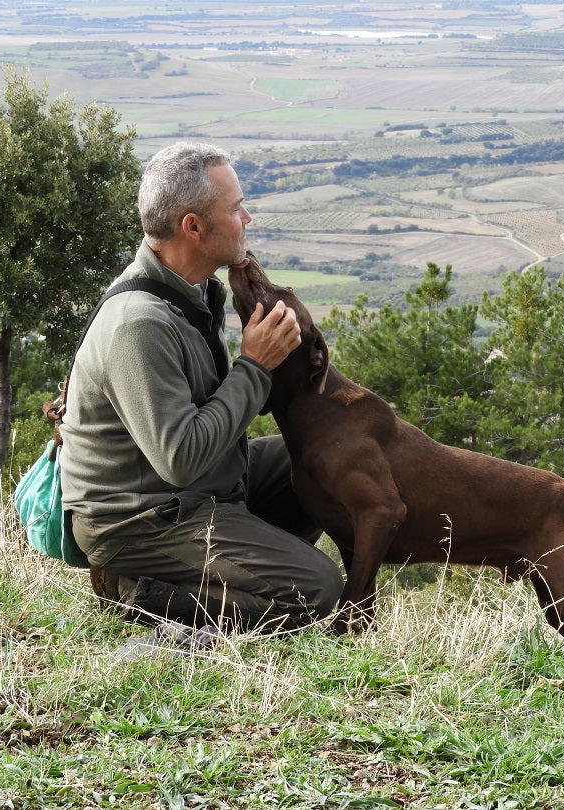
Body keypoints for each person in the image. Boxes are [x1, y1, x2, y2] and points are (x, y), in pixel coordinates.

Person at [59, 142, 343, 634]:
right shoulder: (138, 324)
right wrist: (255, 366)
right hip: (141, 520)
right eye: (234, 209)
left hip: (200, 486)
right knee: (324, 594)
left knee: (320, 457)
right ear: (193, 226)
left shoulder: (188, 293)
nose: (247, 217)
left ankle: (241, 566)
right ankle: (145, 592)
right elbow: (181, 458)